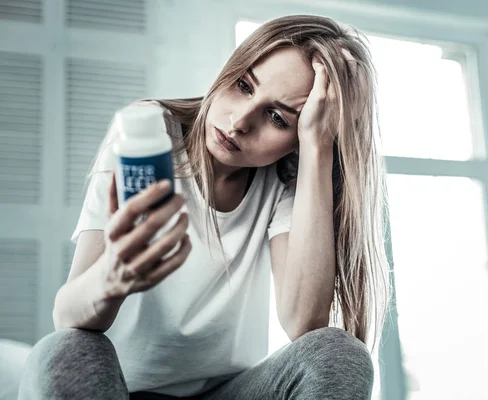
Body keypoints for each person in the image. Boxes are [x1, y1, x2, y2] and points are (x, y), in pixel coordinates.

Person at [19, 14, 391, 400]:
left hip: (226, 392)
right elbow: (67, 317)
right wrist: (113, 276)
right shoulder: (149, 136)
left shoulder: (286, 178)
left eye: (278, 117)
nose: (240, 121)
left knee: (339, 352)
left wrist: (318, 145)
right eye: (244, 86)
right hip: (116, 388)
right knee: (65, 349)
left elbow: (303, 320)